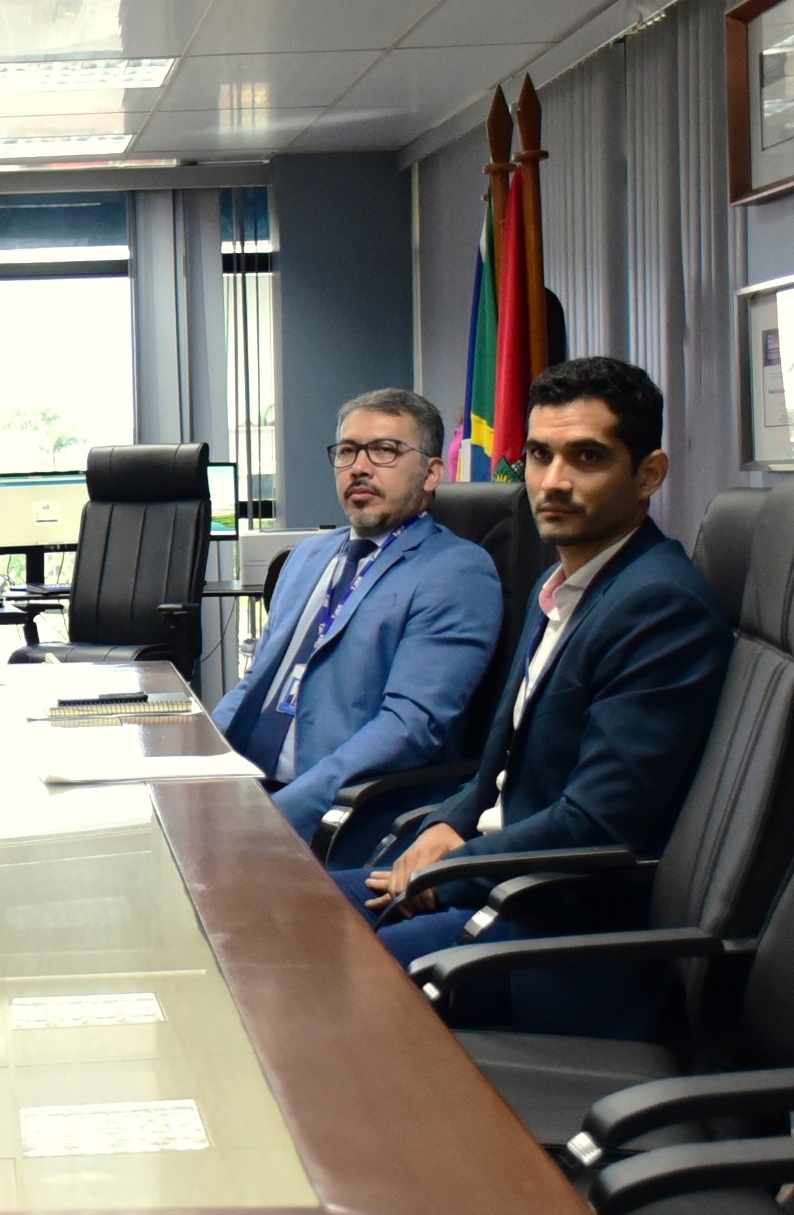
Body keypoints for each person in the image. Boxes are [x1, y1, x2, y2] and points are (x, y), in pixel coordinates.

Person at [346, 357, 734, 1034]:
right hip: (510, 877)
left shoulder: (659, 608)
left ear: (649, 473)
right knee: (307, 912)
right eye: (539, 455)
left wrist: (451, 872)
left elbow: (597, 825)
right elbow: (499, 762)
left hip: (566, 929)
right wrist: (449, 821)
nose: (553, 481)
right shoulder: (561, 586)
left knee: (354, 969)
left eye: (587, 457)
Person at [214, 389, 501, 840]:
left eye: (384, 450)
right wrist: (200, 763)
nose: (359, 467)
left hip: (339, 815)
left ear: (431, 473)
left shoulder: (455, 570)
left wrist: (277, 816)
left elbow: (409, 728)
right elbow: (256, 684)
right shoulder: (307, 557)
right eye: (347, 451)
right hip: (247, 788)